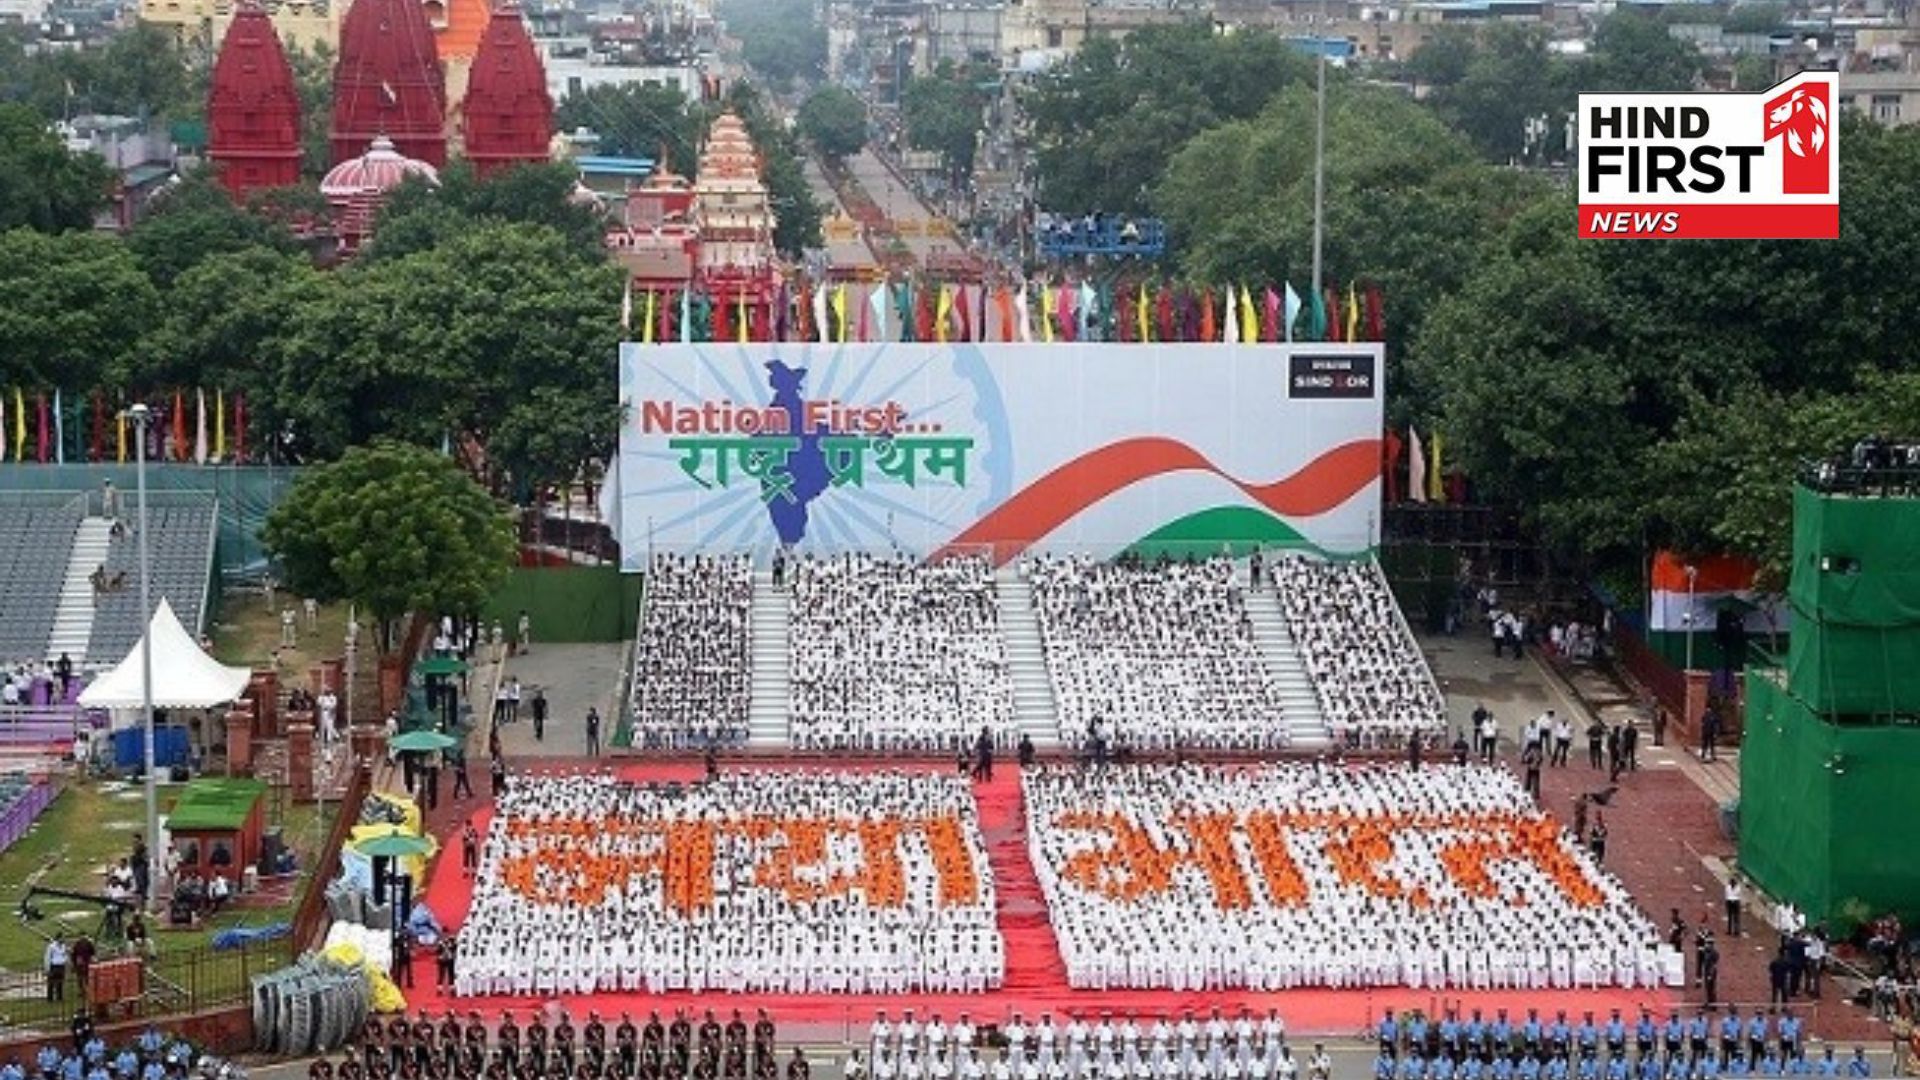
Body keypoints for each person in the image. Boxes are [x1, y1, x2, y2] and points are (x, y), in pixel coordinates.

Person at [45, 934, 68, 1001]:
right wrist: (47, 968)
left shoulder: (63, 946)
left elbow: (65, 954)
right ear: (58, 938)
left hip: (61, 965)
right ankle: (50, 998)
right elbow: (47, 957)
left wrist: (65, 960)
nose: (64, 940)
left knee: (60, 982)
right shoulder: (51, 946)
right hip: (54, 966)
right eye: (62, 938)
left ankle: (59, 997)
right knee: (51, 983)